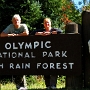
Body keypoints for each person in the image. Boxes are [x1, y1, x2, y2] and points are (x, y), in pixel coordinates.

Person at [31, 17, 63, 89]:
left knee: (53, 68)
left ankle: (53, 85)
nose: (47, 24)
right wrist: (41, 34)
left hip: (53, 53)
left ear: (50, 23)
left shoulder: (54, 30)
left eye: (48, 22)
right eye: (45, 23)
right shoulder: (42, 31)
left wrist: (50, 33)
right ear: (44, 24)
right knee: (45, 68)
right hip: (44, 53)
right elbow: (33, 33)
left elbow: (60, 31)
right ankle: (48, 85)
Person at [0, 14, 29, 90]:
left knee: (23, 68)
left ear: (20, 21)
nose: (16, 21)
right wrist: (10, 35)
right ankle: (20, 86)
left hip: (23, 51)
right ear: (12, 21)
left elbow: (27, 33)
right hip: (13, 52)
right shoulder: (10, 27)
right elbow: (2, 34)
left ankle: (23, 86)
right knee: (16, 68)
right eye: (14, 20)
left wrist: (16, 35)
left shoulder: (23, 26)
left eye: (17, 20)